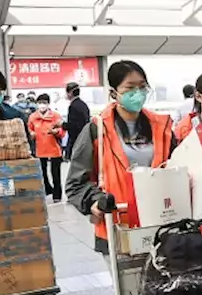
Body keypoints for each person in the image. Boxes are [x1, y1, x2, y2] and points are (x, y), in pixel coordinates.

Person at [65, 60, 175, 254]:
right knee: (129, 284)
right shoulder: (97, 129)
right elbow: (75, 184)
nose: (138, 93)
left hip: (162, 225)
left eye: (142, 87)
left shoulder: (162, 127)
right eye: (130, 88)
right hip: (116, 227)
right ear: (114, 93)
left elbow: (178, 170)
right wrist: (97, 201)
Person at [29, 93, 67, 202]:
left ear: (48, 104)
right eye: (40, 103)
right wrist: (32, 133)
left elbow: (62, 130)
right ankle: (47, 189)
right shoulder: (33, 117)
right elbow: (29, 128)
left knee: (56, 173)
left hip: (54, 148)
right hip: (40, 148)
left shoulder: (55, 116)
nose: (42, 105)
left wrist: (56, 132)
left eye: (44, 103)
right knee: (42, 173)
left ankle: (57, 195)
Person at [63, 82, 91, 160]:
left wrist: (62, 125)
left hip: (77, 141)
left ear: (70, 93)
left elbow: (74, 126)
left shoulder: (73, 106)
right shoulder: (83, 105)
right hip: (85, 139)